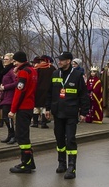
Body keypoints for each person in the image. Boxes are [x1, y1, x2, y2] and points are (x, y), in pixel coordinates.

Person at [44, 51, 90, 180]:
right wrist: (47, 108)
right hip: (57, 112)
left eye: (62, 60)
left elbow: (83, 95)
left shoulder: (77, 75)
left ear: (68, 61)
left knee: (70, 139)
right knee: (59, 139)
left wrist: (84, 112)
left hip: (71, 112)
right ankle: (61, 163)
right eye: (59, 59)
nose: (59, 62)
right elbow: (49, 93)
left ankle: (71, 167)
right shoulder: (55, 74)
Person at [7, 51, 38, 173]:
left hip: (23, 107)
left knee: (21, 136)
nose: (13, 64)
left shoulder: (24, 72)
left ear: (18, 61)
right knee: (24, 134)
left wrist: (12, 110)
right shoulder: (32, 70)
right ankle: (30, 161)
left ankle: (26, 163)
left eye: (14, 61)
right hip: (30, 105)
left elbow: (20, 92)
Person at [0, 53, 18, 144]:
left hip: (10, 96)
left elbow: (16, 82)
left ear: (11, 60)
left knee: (8, 117)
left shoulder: (12, 71)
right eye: (4, 59)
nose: (4, 61)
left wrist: (5, 87)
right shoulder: (5, 70)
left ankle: (13, 135)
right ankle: (10, 135)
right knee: (5, 117)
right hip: (5, 96)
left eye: (6, 59)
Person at [32, 55, 55, 128]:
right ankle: (43, 123)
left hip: (37, 89)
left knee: (36, 107)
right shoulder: (52, 68)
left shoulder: (36, 68)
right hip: (48, 89)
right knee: (44, 107)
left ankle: (35, 123)